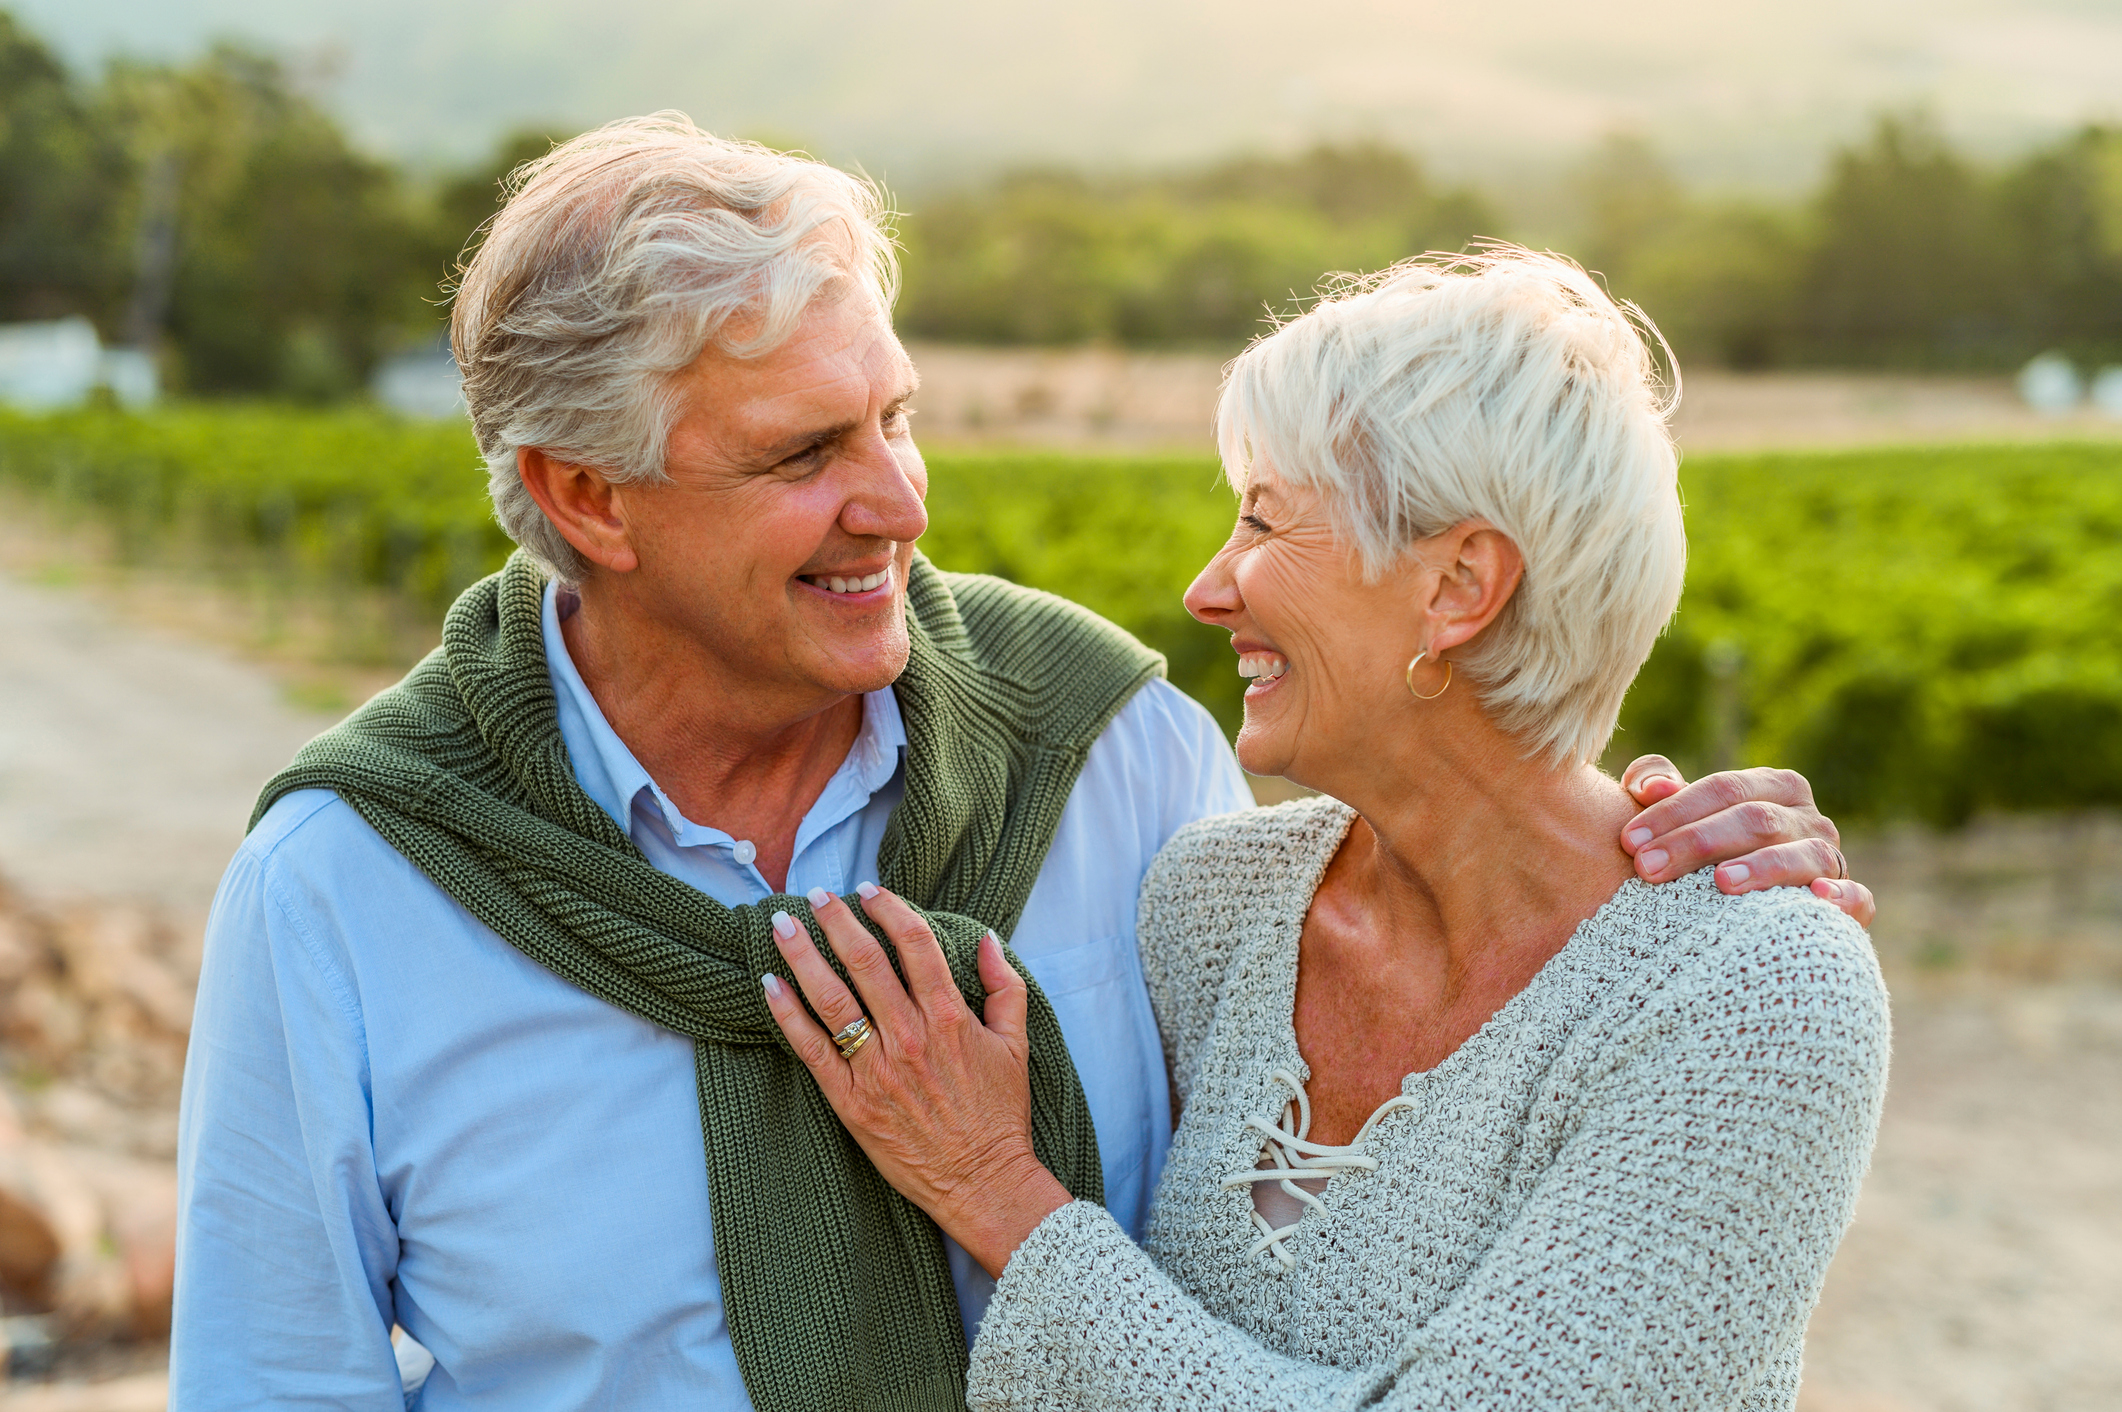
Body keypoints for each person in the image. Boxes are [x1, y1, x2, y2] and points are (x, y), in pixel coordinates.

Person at [173, 116, 1869, 1409]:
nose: (901, 502)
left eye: (895, 415)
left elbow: (1487, 942)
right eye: (805, 451)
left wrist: (1646, 840)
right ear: (585, 498)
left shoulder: (1120, 764)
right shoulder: (350, 884)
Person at [763, 248, 1890, 1411]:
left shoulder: (1754, 995)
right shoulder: (1217, 898)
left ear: (1458, 584)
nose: (1210, 587)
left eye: (1263, 522)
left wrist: (999, 1192)